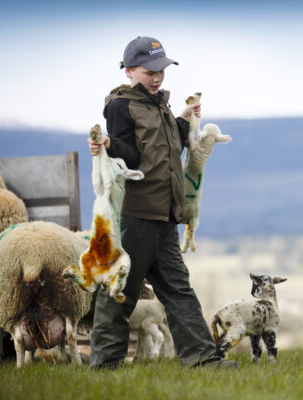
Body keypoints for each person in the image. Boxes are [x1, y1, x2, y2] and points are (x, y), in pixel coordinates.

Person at [87, 36, 237, 369]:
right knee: (119, 293)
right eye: (149, 71)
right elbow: (133, 155)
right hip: (136, 216)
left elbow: (165, 149)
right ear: (128, 71)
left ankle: (204, 362)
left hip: (164, 215)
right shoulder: (120, 106)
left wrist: (182, 119)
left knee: (179, 292)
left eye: (162, 70)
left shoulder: (159, 104)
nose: (157, 77)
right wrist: (110, 144)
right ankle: (104, 367)